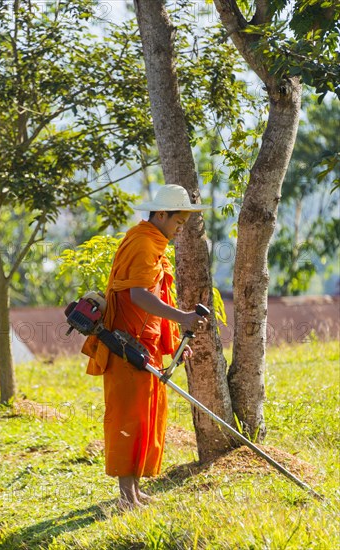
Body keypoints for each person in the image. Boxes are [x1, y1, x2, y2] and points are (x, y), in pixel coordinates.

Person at [82, 184, 209, 509]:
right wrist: (182, 316)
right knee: (129, 419)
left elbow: (154, 299)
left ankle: (135, 492)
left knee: (145, 417)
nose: (179, 230)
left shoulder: (153, 242)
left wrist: (174, 342)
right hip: (126, 347)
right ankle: (126, 498)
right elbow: (139, 295)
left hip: (146, 345)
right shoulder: (141, 243)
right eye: (178, 223)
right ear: (161, 214)